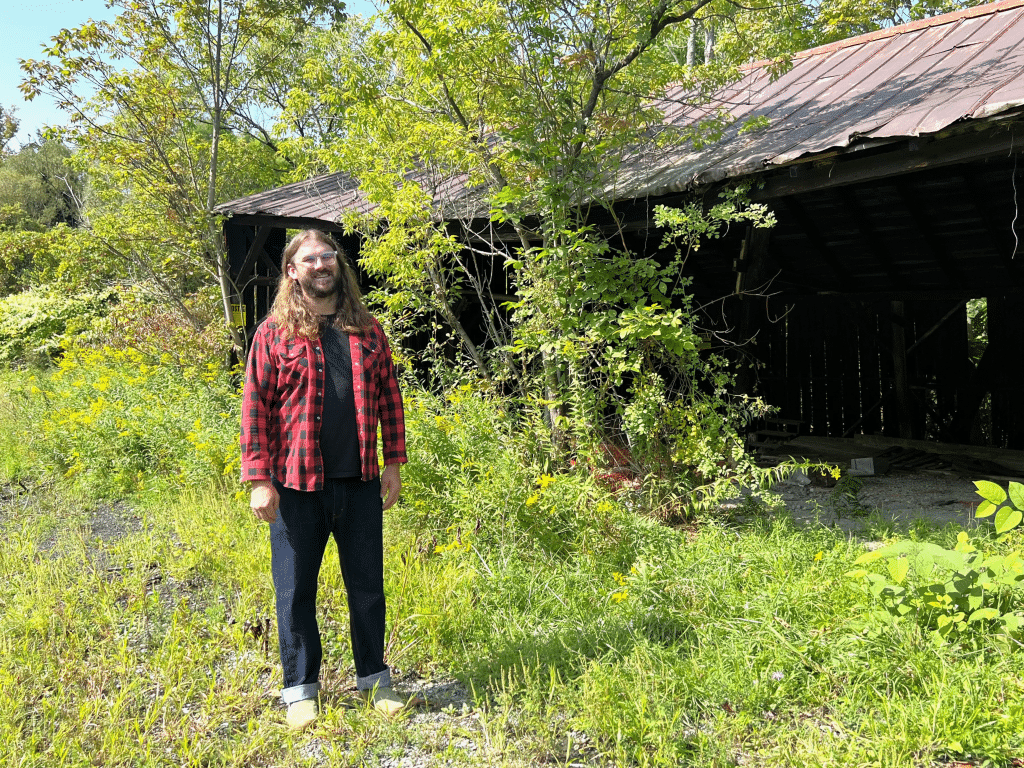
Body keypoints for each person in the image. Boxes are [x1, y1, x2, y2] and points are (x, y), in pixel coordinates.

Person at [240, 229, 409, 731]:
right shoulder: (273, 333)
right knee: (294, 592)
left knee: (367, 588)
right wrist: (259, 479)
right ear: (292, 271)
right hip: (295, 486)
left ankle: (375, 681)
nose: (321, 264)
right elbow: (255, 409)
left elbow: (389, 399)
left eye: (328, 255)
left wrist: (393, 464)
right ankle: (300, 691)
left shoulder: (367, 330)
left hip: (358, 482)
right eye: (309, 258)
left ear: (338, 265)